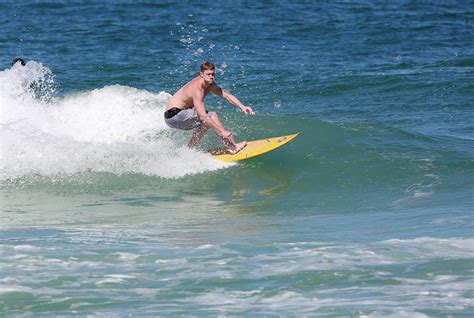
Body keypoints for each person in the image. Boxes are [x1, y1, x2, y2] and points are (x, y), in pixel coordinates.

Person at [164, 61, 255, 154]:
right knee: (210, 116)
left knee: (206, 123)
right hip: (175, 115)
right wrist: (221, 132)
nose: (211, 76)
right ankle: (231, 147)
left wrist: (242, 106)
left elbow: (226, 95)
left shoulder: (210, 84)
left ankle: (188, 150)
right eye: (208, 74)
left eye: (213, 74)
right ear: (201, 74)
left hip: (172, 118)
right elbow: (203, 117)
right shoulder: (197, 89)